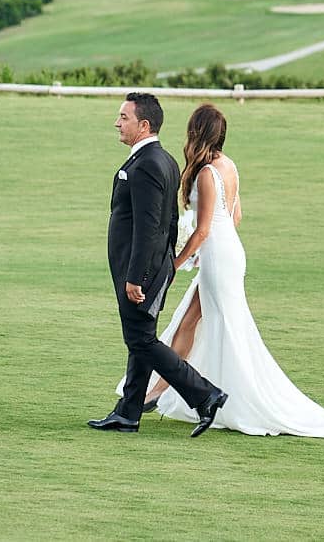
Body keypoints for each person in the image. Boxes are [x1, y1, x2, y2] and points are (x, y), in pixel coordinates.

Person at [134, 103, 324, 440]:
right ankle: (158, 393)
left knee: (225, 328)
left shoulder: (208, 174)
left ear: (197, 132)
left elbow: (203, 229)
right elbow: (235, 217)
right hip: (227, 253)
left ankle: (209, 395)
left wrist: (175, 264)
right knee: (190, 321)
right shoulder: (229, 166)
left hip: (218, 257)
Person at [89, 93, 228, 435]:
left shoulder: (150, 163)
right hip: (151, 268)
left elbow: (151, 226)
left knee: (141, 341)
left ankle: (205, 395)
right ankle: (128, 412)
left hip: (142, 272)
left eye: (124, 117)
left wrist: (138, 276)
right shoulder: (161, 159)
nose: (117, 122)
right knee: (141, 338)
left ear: (144, 124)